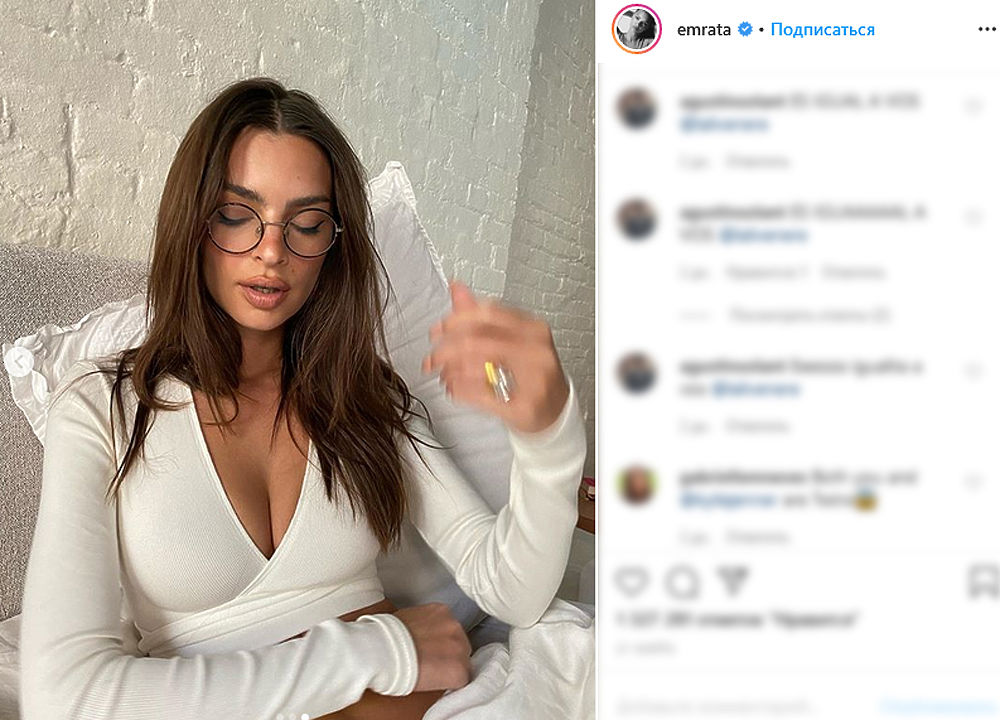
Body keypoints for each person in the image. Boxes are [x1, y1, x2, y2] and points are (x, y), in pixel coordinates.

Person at [19, 77, 587, 719]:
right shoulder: (102, 407)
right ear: (192, 223)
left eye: (308, 224)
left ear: (332, 246)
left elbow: (508, 590)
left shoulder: (362, 393)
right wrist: (383, 650)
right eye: (236, 215)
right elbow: (65, 698)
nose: (271, 252)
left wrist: (550, 437)